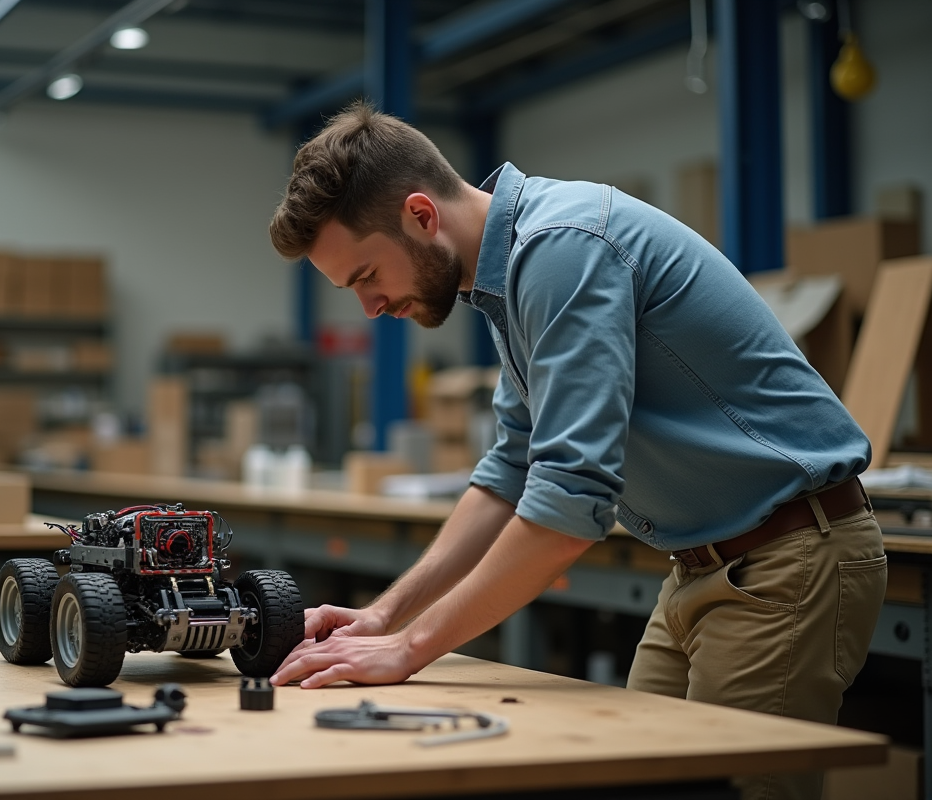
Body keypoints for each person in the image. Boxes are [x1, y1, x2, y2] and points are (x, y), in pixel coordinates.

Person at [266, 102, 885, 800]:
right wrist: (384, 616)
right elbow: (510, 469)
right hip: (699, 571)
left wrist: (408, 649)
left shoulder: (562, 247)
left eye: (366, 277)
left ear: (420, 214)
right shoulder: (506, 277)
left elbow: (568, 504)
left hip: (786, 562)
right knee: (630, 778)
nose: (371, 309)